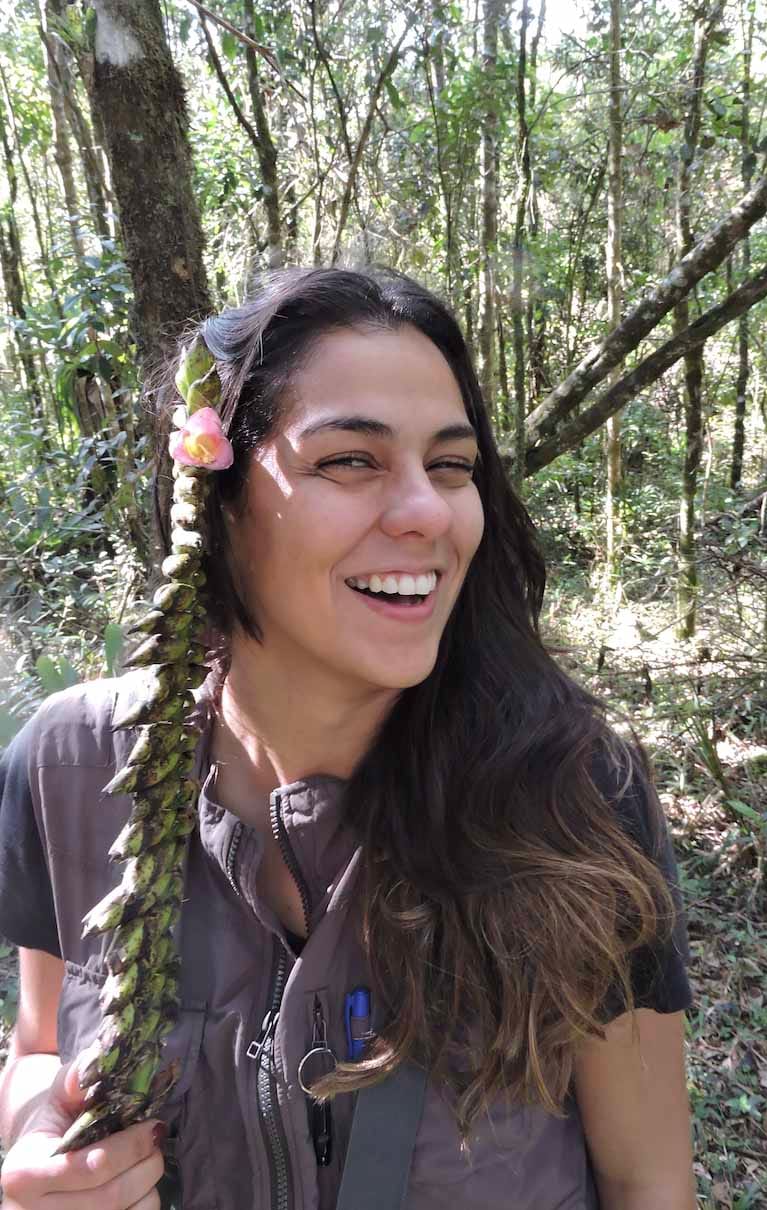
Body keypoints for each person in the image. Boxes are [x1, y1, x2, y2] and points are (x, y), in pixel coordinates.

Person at [0, 267, 696, 1210]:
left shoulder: (574, 793)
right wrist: (41, 1139)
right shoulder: (71, 767)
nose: (427, 511)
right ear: (217, 497)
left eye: (451, 466)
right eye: (351, 461)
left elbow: (647, 1180)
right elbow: (41, 1047)